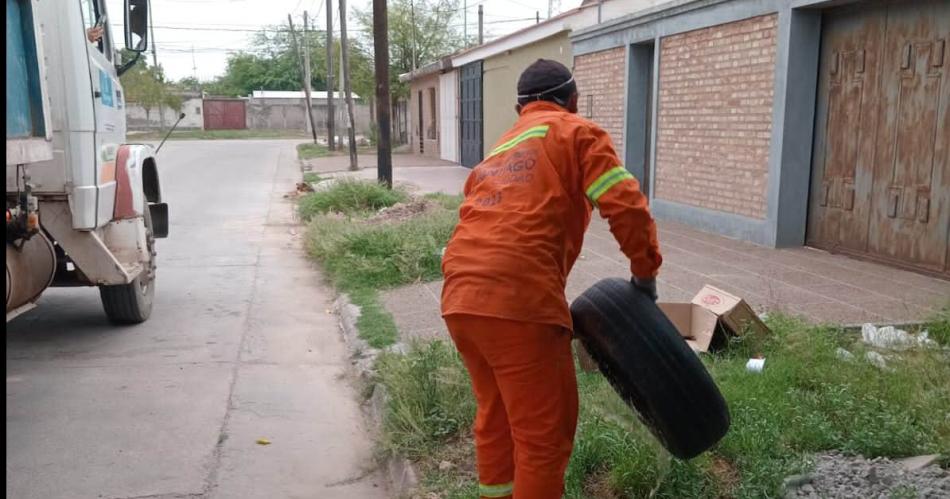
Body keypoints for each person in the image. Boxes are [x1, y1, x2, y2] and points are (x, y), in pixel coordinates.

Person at [440, 58, 662, 499]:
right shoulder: (577, 132)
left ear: (520, 106)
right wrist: (645, 272)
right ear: (573, 100)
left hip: (459, 297)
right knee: (542, 439)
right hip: (518, 301)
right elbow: (625, 204)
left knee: (497, 418)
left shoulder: (500, 148)